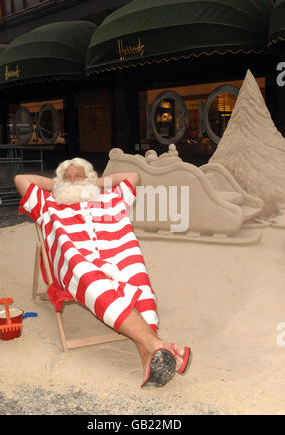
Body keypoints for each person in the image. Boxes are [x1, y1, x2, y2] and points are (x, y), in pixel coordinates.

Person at [14, 157, 191, 388]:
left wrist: (94, 184)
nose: (73, 181)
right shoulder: (48, 201)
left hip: (119, 256)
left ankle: (150, 358)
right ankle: (159, 345)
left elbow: (132, 176)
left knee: (141, 287)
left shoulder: (110, 196)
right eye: (68, 177)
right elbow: (21, 179)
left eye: (79, 177)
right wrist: (60, 186)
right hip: (76, 262)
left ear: (90, 179)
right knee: (93, 283)